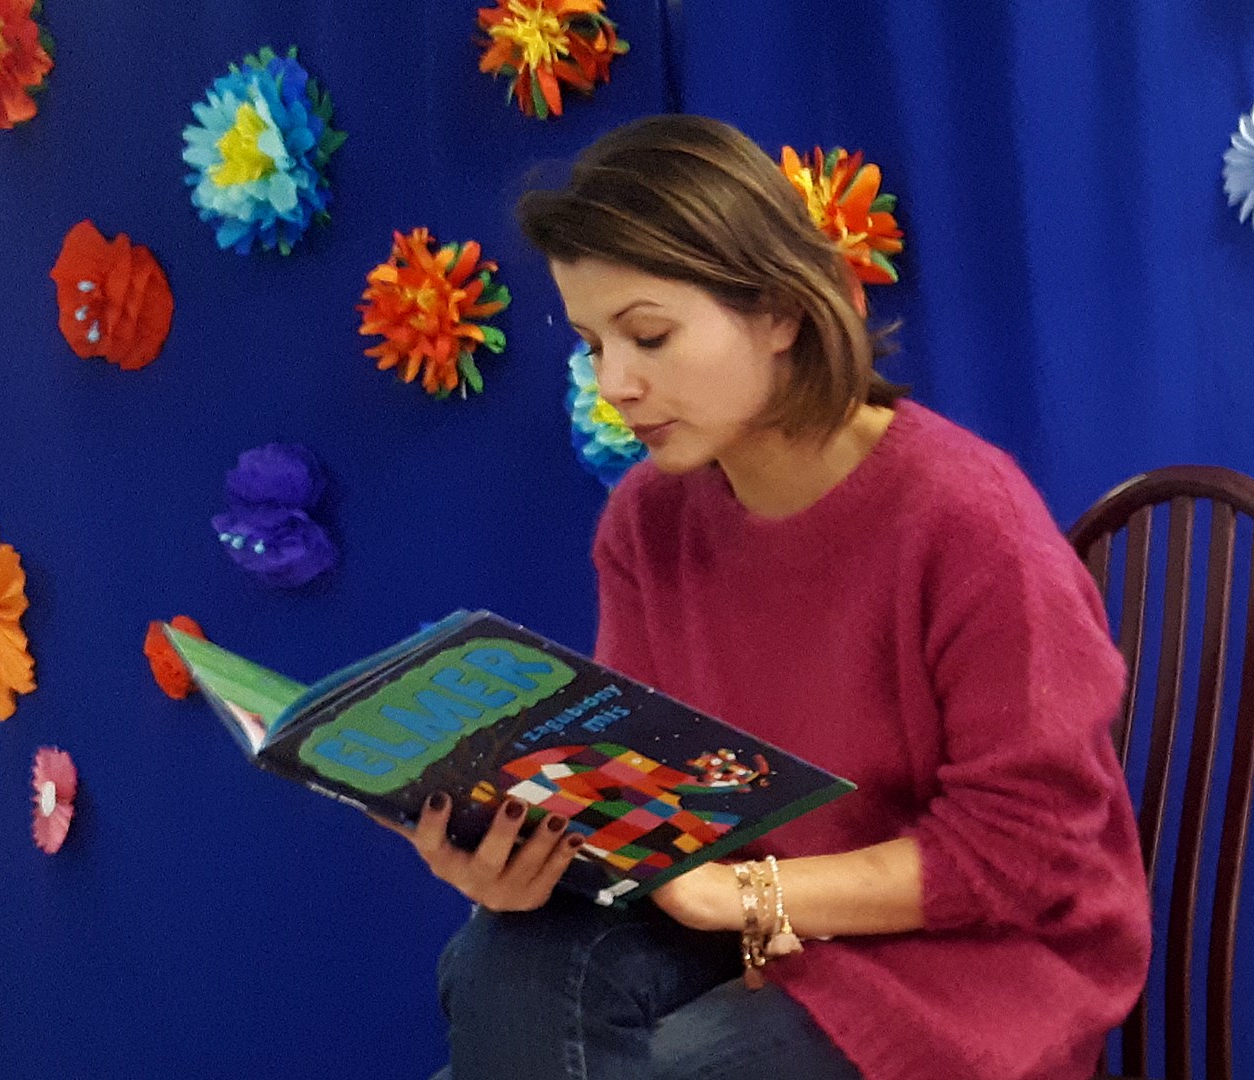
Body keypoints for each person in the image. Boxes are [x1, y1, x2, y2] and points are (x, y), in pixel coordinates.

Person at [388, 113, 1150, 1080]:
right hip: (751, 923)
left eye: (649, 335)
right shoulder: (645, 522)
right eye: (590, 345)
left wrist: (745, 895)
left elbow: (1027, 855)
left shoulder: (970, 520)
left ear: (781, 311)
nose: (615, 384)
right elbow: (647, 800)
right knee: (505, 956)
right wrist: (513, 866)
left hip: (972, 964)